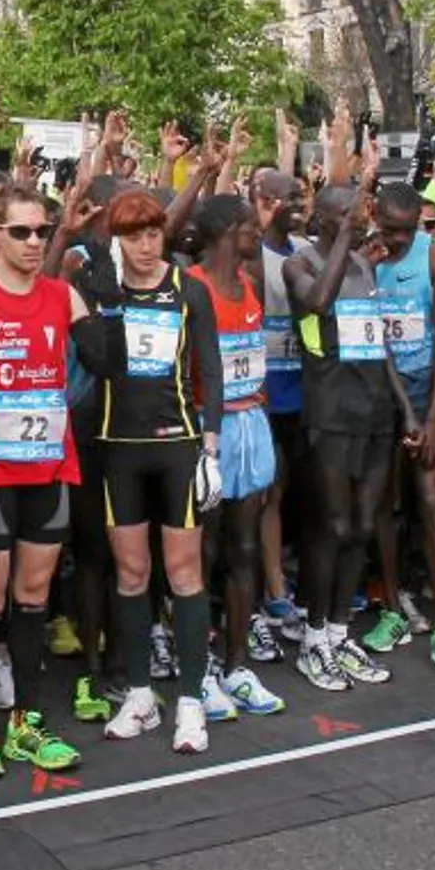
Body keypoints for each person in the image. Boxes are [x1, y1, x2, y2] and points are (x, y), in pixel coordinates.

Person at [0, 182, 94, 780]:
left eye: (42, 230)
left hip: (49, 465)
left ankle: (28, 723)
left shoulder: (64, 296)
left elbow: (105, 358)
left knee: (33, 599)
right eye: (21, 231)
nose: (35, 241)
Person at [84, 185, 223, 750]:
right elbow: (98, 363)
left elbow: (209, 367)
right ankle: (140, 694)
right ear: (116, 241)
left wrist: (211, 440)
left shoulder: (190, 290)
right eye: (132, 236)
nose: (144, 246)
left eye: (151, 234)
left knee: (185, 573)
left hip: (177, 444)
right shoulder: (102, 290)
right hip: (118, 445)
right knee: (132, 574)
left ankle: (192, 700)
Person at [286, 184, 414, 690]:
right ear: (321, 219)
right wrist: (343, 241)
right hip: (330, 413)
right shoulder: (301, 266)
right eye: (348, 217)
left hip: (375, 412)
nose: (360, 223)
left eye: (359, 217)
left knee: (361, 527)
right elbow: (319, 304)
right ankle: (313, 637)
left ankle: (339, 631)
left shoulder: (364, 265)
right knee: (331, 527)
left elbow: (378, 343)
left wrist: (406, 408)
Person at [186, 194, 286, 714]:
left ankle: (238, 663)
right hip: (210, 431)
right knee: (204, 553)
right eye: (251, 225)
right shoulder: (193, 287)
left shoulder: (250, 286)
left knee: (244, 550)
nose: (258, 232)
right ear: (229, 231)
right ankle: (198, 668)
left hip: (252, 421)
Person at [363, 182, 435, 668]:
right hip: (383, 396)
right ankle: (392, 608)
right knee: (387, 506)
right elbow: (372, 339)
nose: (397, 240)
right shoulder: (366, 259)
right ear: (374, 218)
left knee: (431, 502)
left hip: (427, 394)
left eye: (406, 231)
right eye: (390, 230)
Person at [251, 171, 313, 640]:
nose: (300, 203)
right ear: (267, 202)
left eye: (303, 195)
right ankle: (271, 588)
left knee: (291, 488)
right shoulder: (255, 252)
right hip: (262, 388)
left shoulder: (305, 249)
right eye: (291, 198)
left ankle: (289, 579)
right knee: (267, 492)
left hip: (301, 384)